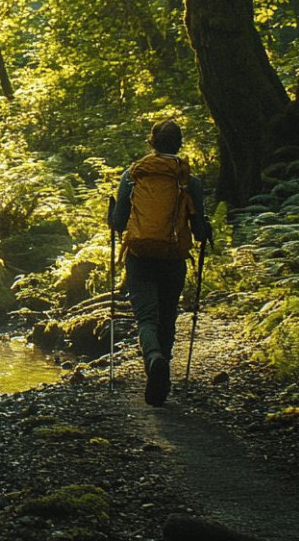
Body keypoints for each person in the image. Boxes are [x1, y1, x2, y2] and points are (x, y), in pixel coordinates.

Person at [107, 119, 212, 406]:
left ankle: (153, 359)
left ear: (151, 142)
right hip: (173, 258)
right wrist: (205, 230)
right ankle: (162, 372)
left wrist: (112, 215)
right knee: (167, 316)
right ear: (179, 143)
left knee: (145, 317)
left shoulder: (134, 175)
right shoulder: (189, 181)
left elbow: (118, 223)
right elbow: (200, 231)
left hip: (140, 256)